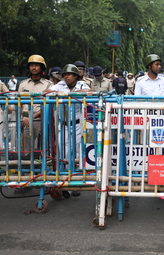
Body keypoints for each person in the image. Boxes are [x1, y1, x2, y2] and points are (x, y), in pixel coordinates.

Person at [45, 64, 90, 197]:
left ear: (76, 76)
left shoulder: (82, 85)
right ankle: (64, 183)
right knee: (63, 153)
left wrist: (69, 94)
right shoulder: (60, 85)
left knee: (75, 153)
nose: (66, 77)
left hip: (77, 125)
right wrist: (62, 93)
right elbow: (45, 91)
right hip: (63, 124)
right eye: (64, 75)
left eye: (69, 74)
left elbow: (89, 92)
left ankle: (75, 183)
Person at [19, 54, 53, 152]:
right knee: (25, 149)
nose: (34, 67)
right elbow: (19, 103)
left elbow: (47, 104)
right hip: (25, 120)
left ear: (42, 67)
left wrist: (32, 117)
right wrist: (19, 119)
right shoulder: (23, 84)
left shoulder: (48, 85)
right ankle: (27, 166)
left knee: (42, 148)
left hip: (41, 119)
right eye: (32, 65)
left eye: (37, 65)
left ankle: (42, 167)